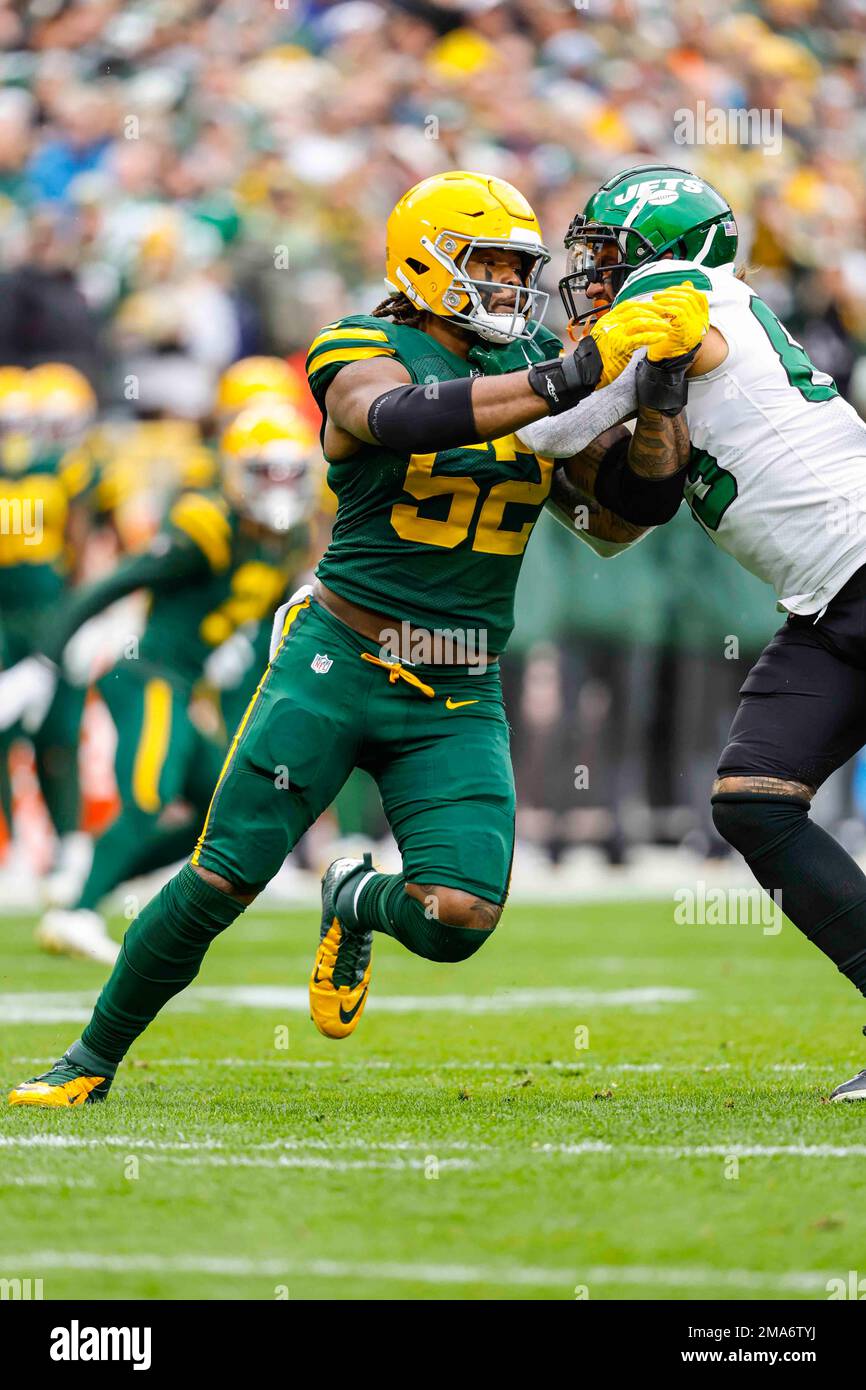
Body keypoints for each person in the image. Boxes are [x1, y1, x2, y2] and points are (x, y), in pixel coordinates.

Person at [6, 168, 704, 1107]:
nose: (505, 286)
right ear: (424, 262)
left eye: (515, 268)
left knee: (460, 916)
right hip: (340, 660)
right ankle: (86, 1061)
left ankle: (352, 897)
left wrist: (655, 401)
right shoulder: (364, 345)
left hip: (458, 686)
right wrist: (570, 378)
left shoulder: (537, 356)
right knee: (220, 880)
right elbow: (390, 417)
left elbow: (627, 514)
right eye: (485, 265)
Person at [519, 162, 866, 1103]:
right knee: (754, 800)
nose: (586, 274)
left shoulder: (687, 289)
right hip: (826, 600)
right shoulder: (673, 332)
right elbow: (629, 514)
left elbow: (563, 421)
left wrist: (521, 411)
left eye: (603, 254)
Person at [1, 401, 317, 966]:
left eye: (288, 471)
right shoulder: (207, 526)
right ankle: (76, 913)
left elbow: (276, 614)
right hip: (145, 676)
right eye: (264, 471)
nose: (278, 485)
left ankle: (96, 887)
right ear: (234, 471)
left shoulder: (287, 539)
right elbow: (117, 583)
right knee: (147, 797)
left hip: (184, 683)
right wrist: (46, 660)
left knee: (219, 810)